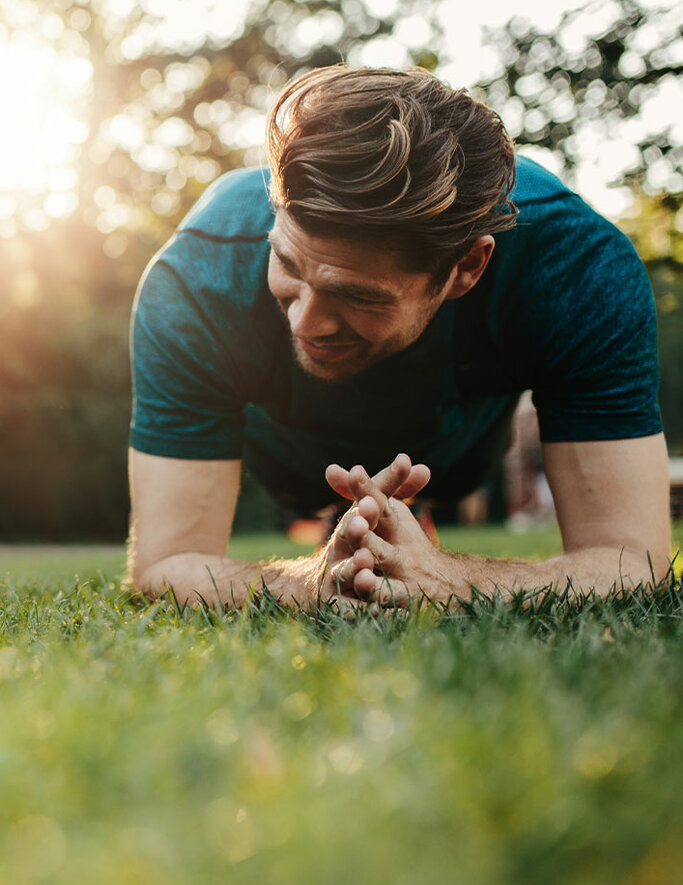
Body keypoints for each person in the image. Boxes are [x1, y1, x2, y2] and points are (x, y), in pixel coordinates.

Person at [128, 65, 671, 610]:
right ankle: (344, 522)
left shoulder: (577, 268)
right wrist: (310, 583)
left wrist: (446, 578)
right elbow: (165, 563)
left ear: (467, 266)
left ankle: (410, 517)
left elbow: (634, 560)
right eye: (287, 263)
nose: (306, 322)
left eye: (359, 296)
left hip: (455, 452)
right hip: (291, 459)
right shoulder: (196, 277)